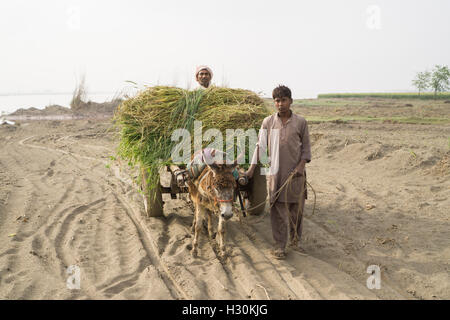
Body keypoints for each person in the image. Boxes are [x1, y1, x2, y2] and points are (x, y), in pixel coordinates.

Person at [246, 85, 311, 259]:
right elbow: (260, 146)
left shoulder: (301, 122)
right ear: (274, 102)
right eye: (277, 100)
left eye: (283, 100)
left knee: (296, 210)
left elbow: (306, 149)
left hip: (295, 174)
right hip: (275, 173)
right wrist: (252, 168)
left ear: (290, 101)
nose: (280, 104)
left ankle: (295, 241)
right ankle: (279, 246)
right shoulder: (268, 122)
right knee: (278, 210)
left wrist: (301, 166)